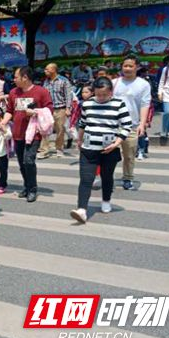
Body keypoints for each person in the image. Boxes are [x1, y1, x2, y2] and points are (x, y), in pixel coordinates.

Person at [70, 77, 132, 224]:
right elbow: (83, 123)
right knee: (86, 179)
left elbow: (127, 125)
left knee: (106, 176)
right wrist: (79, 140)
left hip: (109, 150)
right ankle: (82, 210)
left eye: (105, 94)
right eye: (98, 94)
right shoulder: (87, 104)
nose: (101, 98)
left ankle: (106, 200)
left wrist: (116, 143)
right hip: (89, 148)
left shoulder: (119, 104)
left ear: (111, 91)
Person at [1, 66, 53, 203]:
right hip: (17, 133)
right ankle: (26, 185)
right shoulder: (13, 93)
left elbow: (49, 110)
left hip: (33, 133)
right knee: (21, 163)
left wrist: (35, 112)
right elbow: (9, 111)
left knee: (28, 160)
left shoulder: (41, 92)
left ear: (25, 78)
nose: (14, 79)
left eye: (16, 77)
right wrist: (3, 122)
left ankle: (33, 189)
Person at [112, 55, 152, 190]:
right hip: (113, 126)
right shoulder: (114, 83)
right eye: (125, 66)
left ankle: (128, 178)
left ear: (137, 67)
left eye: (130, 66)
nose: (127, 68)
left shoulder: (143, 84)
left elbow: (145, 104)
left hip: (131, 126)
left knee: (129, 156)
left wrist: (142, 124)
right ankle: (106, 177)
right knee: (108, 154)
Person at [41, 63, 74, 159]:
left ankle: (59, 149)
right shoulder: (46, 82)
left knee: (60, 130)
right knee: (45, 129)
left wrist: (68, 108)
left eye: (47, 69)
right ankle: (44, 150)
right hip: (48, 109)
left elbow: (68, 95)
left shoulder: (63, 81)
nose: (45, 71)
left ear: (53, 70)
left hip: (61, 109)